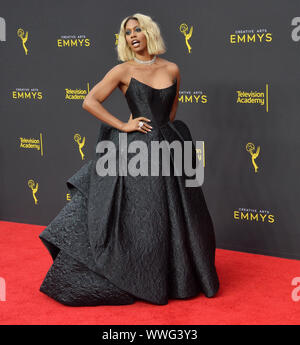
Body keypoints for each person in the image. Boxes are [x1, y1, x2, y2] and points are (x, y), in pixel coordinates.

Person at [38, 13, 220, 306]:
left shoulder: (172, 69)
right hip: (137, 149)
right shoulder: (122, 71)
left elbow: (170, 114)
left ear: (149, 33)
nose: (132, 36)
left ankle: (176, 278)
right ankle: (138, 275)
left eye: (137, 30)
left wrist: (165, 134)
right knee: (145, 219)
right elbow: (90, 100)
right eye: (127, 33)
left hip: (170, 148)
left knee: (175, 217)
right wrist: (124, 125)